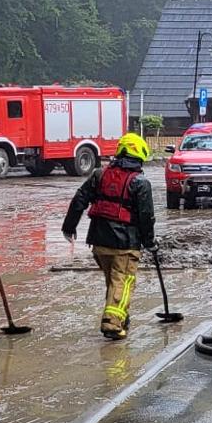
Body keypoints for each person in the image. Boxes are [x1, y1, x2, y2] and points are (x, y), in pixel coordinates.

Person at [62, 133, 158, 340]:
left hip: (98, 242)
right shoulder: (141, 183)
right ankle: (112, 323)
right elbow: (146, 216)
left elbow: (79, 199)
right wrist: (150, 242)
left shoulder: (99, 174)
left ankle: (122, 316)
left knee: (114, 282)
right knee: (123, 281)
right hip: (125, 244)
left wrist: (68, 228)